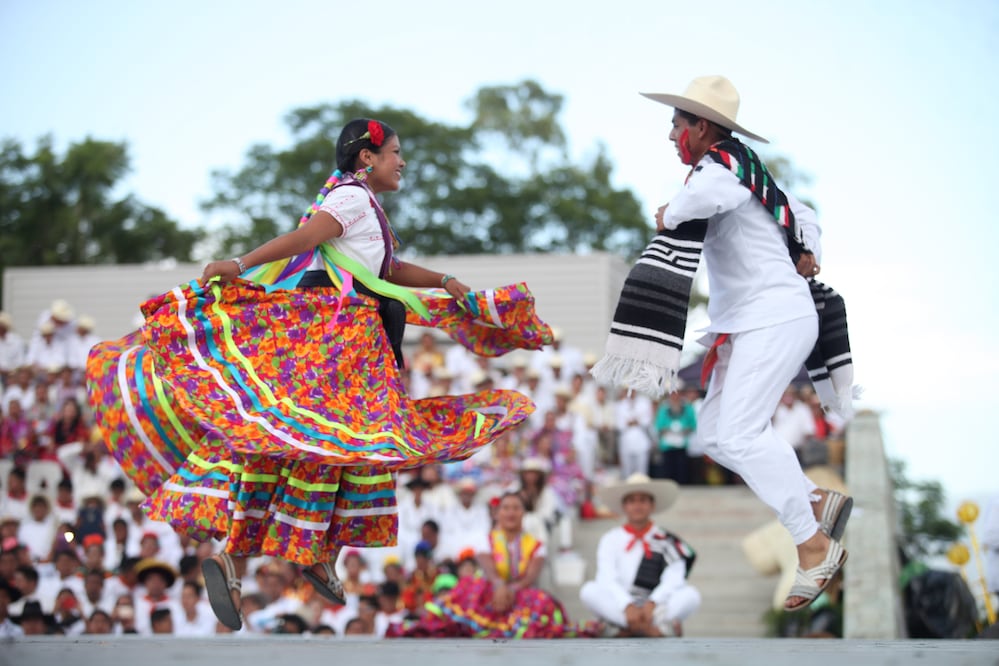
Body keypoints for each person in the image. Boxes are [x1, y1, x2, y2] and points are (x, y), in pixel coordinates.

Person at [87, 118, 551, 633]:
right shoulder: (351, 197)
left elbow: (388, 270)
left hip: (355, 348)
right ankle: (288, 555)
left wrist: (445, 281)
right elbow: (308, 236)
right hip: (343, 348)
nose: (402, 161)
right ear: (366, 158)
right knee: (334, 448)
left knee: (328, 450)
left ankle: (271, 557)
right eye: (395, 151)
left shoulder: (365, 207)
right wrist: (240, 264)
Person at [593, 76, 850, 612]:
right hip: (756, 321)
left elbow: (699, 200)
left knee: (737, 431)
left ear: (701, 127)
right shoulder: (749, 171)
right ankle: (817, 500)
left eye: (676, 124)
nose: (670, 135)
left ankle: (811, 541)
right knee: (715, 435)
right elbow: (803, 215)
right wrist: (809, 247)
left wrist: (666, 213)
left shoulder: (721, 170)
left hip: (771, 318)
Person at [388, 492, 598, 638]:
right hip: (490, 591)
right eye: (506, 508)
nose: (511, 513)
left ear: (523, 513)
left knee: (542, 601)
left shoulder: (536, 545)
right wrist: (499, 585)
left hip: (520, 593)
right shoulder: (485, 539)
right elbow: (488, 568)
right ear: (497, 513)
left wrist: (510, 589)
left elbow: (529, 577)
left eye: (516, 508)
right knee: (471, 586)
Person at [580, 474, 700, 637]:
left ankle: (626, 628)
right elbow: (606, 577)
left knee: (691, 595)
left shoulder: (666, 540)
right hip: (621, 606)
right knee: (589, 591)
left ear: (652, 505)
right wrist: (627, 605)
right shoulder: (610, 538)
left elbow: (674, 578)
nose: (637, 506)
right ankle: (651, 630)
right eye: (632, 501)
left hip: (654, 608)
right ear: (624, 506)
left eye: (643, 500)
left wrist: (653, 602)